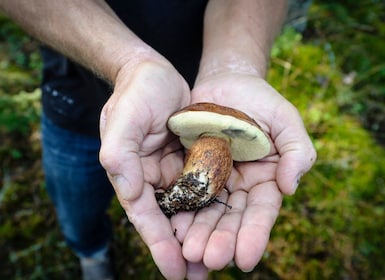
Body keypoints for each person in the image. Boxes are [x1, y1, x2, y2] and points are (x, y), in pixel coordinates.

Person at [0, 1, 316, 279]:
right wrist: (129, 63)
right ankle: (91, 252)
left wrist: (235, 62)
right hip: (75, 101)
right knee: (77, 208)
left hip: (190, 97)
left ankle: (92, 249)